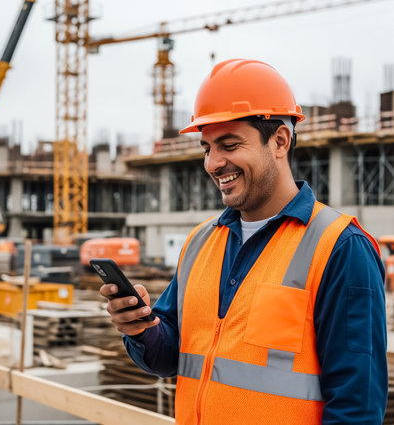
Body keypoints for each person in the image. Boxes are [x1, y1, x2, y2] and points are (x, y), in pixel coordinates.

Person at [100, 59, 388, 424]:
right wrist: (141, 328)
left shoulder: (340, 247)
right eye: (207, 148)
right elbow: (169, 357)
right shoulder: (200, 243)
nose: (213, 163)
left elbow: (356, 407)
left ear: (280, 140)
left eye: (229, 145)